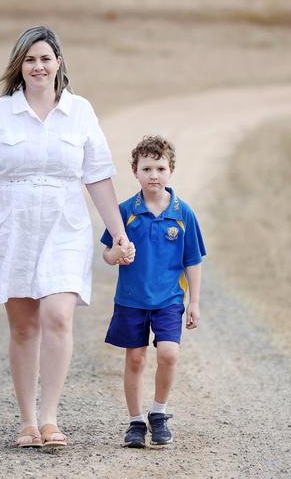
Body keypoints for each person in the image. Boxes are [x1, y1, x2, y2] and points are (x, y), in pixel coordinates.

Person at [0, 25, 133, 448]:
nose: (38, 66)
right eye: (30, 59)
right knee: (23, 326)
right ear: (20, 65)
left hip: (64, 224)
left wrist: (119, 234)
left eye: (45, 58)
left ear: (58, 63)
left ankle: (51, 417)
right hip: (13, 225)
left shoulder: (81, 111)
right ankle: (27, 421)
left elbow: (98, 178)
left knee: (58, 315)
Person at [101, 135, 206, 448]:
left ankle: (158, 413)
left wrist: (195, 302)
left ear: (171, 170)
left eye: (160, 168)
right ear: (135, 171)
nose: (154, 175)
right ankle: (135, 422)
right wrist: (116, 255)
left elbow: (193, 261)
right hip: (131, 300)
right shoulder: (124, 212)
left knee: (169, 353)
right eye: (147, 168)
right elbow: (107, 254)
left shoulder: (183, 213)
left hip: (169, 300)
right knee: (135, 359)